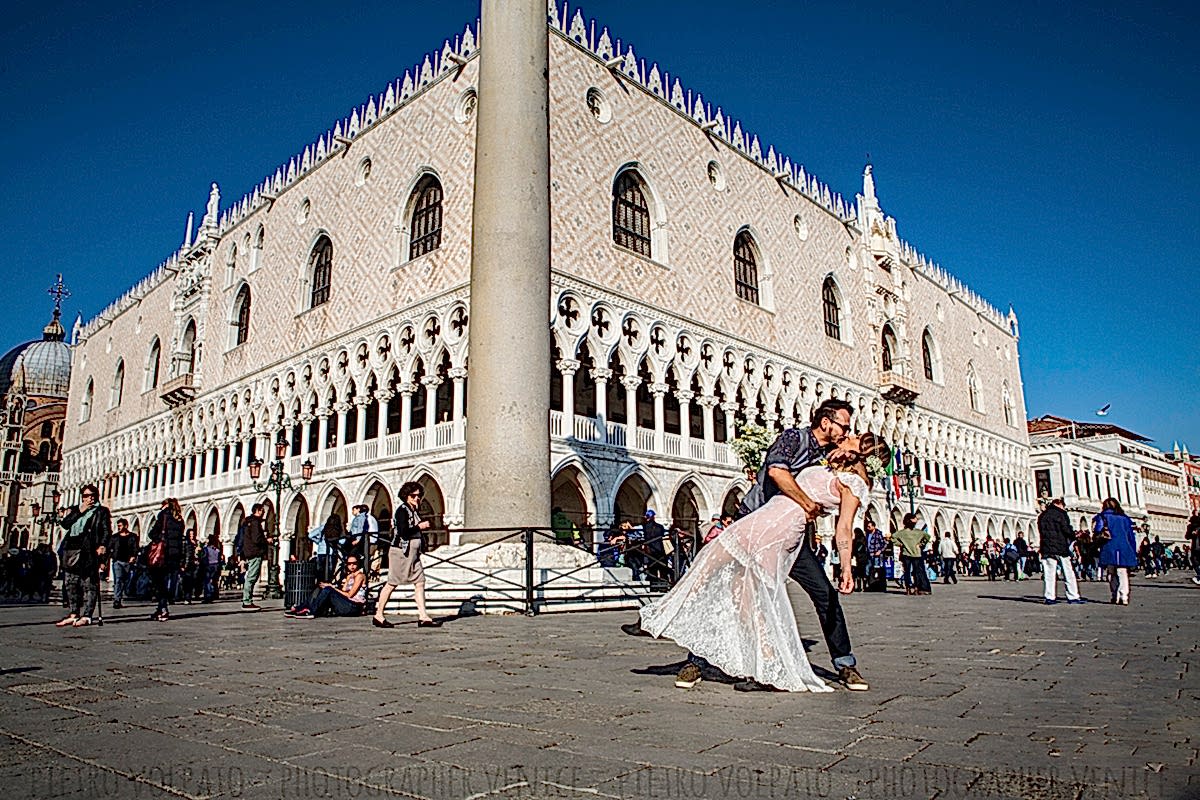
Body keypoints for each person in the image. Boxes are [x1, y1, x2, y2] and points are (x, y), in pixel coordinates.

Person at [639, 433, 890, 692]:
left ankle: (838, 663)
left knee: (806, 595)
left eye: (855, 436)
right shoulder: (808, 447)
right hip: (759, 520)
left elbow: (844, 527)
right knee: (717, 571)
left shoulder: (850, 482)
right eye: (846, 427)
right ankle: (674, 630)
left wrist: (847, 568)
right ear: (826, 423)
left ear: (862, 454)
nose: (848, 433)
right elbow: (773, 471)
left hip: (784, 534)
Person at [373, 481, 441, 628]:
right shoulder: (402, 510)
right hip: (401, 553)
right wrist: (419, 526)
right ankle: (378, 614)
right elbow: (403, 532)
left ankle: (423, 616)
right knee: (392, 582)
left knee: (420, 581)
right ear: (406, 496)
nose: (417, 498)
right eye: (413, 495)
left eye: (419, 495)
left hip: (413, 554)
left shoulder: (413, 510)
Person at [55, 484, 112, 627]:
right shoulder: (76, 509)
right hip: (72, 548)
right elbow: (65, 524)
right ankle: (74, 613)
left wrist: (103, 545)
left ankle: (87, 615)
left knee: (89, 584)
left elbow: (106, 530)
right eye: (86, 495)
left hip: (89, 550)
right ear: (82, 497)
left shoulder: (101, 511)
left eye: (92, 495)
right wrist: (79, 511)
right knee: (70, 583)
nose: (90, 498)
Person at [286, 554, 367, 618]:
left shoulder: (360, 576)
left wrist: (332, 587)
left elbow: (350, 595)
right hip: (347, 603)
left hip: (354, 606)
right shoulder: (350, 576)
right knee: (322, 587)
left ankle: (311, 610)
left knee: (328, 589)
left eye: (354, 563)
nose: (352, 566)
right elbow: (343, 591)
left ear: (358, 563)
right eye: (349, 564)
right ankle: (303, 607)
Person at [1038, 498, 1081, 605]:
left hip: (1047, 547)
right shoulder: (1061, 514)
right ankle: (1073, 596)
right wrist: (1073, 536)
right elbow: (1066, 530)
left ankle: (1050, 597)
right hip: (1061, 547)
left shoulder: (1042, 516)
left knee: (1049, 573)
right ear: (1060, 505)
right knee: (1068, 572)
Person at [147, 498, 185, 621]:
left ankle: (163, 609)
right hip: (175, 555)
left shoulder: (163, 516)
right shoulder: (180, 520)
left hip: (163, 554)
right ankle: (160, 608)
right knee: (168, 582)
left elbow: (152, 533)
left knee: (159, 583)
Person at [1095, 498, 1137, 605]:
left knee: (1111, 572)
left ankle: (1115, 594)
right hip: (1124, 547)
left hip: (1109, 546)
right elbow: (1131, 536)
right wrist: (1133, 550)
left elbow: (1097, 531)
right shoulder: (1125, 518)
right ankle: (1124, 596)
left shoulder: (1103, 517)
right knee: (1122, 572)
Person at [893, 514, 931, 595]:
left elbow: (893, 538)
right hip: (916, 554)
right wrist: (921, 544)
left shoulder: (901, 533)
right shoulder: (918, 532)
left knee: (907, 571)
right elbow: (927, 536)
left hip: (906, 554)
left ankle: (908, 588)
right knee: (916, 572)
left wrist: (900, 544)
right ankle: (916, 588)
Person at [240, 504, 269, 610]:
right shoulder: (255, 522)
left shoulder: (247, 522)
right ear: (257, 510)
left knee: (250, 577)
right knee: (251, 577)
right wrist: (266, 541)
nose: (263, 513)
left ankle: (247, 600)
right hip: (255, 552)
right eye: (262, 511)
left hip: (249, 551)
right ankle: (247, 601)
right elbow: (257, 539)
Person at [106, 517, 139, 609]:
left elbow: (136, 548)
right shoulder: (115, 537)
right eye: (118, 526)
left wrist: (133, 556)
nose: (119, 527)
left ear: (126, 526)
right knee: (118, 580)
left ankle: (121, 595)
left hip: (128, 562)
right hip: (117, 561)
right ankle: (117, 599)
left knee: (126, 580)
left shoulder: (133, 536)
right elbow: (109, 548)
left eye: (120, 525)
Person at [200, 534, 224, 603]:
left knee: (207, 581)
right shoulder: (217, 550)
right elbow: (220, 559)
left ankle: (208, 596)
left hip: (209, 565)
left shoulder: (206, 549)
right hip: (216, 566)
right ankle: (215, 594)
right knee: (214, 581)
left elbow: (204, 558)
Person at [1187, 514, 1200, 586]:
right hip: (1195, 547)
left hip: (1196, 547)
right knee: (1194, 562)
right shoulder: (1191, 527)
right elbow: (1187, 536)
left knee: (1195, 561)